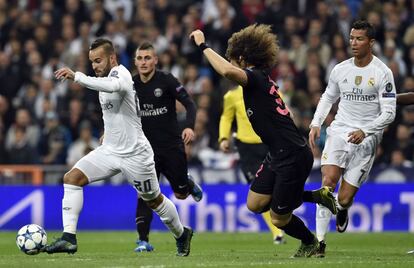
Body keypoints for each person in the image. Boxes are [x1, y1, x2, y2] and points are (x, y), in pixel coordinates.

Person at [190, 24, 337, 258]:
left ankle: (311, 243)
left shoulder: (255, 78)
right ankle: (316, 196)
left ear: (241, 57)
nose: (232, 62)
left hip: (292, 154)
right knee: (255, 204)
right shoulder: (261, 80)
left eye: (233, 58)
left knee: (279, 218)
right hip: (278, 153)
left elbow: (227, 71)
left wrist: (203, 45)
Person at [44, 38, 193, 257]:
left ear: (112, 58)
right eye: (92, 62)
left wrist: (77, 76)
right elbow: (115, 112)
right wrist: (108, 133)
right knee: (71, 178)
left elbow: (114, 86)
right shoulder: (101, 80)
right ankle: (69, 238)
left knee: (154, 200)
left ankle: (181, 234)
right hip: (110, 151)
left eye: (98, 60)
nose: (95, 66)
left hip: (136, 154)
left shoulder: (121, 74)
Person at [309, 20, 396, 258]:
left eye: (359, 39)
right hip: (339, 131)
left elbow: (389, 112)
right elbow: (328, 98)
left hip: (367, 138)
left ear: (371, 42)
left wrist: (366, 131)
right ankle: (319, 243)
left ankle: (343, 209)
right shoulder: (340, 69)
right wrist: (316, 124)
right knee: (327, 183)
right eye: (351, 38)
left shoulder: (382, 73)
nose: (353, 43)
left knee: (344, 198)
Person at [132, 41, 203, 253]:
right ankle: (142, 240)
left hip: (172, 146)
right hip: (145, 150)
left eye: (147, 58)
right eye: (139, 58)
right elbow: (118, 112)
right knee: (146, 194)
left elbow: (190, 104)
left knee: (180, 194)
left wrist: (189, 127)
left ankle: (186, 183)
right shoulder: (130, 84)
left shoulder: (167, 80)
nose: (143, 62)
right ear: (135, 61)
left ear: (155, 60)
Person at [219, 85, 285, 244]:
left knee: (276, 187)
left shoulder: (269, 89)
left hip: (269, 143)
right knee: (259, 189)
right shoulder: (231, 95)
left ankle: (281, 223)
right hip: (247, 148)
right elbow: (226, 117)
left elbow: (282, 112)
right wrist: (223, 138)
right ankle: (277, 233)